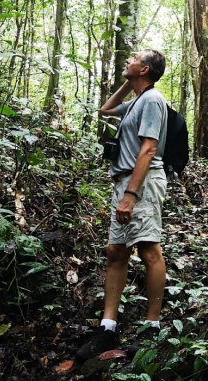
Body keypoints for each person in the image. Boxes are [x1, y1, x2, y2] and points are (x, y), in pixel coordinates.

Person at [77, 49, 169, 360]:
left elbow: (149, 148)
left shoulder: (154, 100)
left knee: (147, 248)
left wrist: (131, 194)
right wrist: (129, 83)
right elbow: (106, 108)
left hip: (141, 182)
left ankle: (151, 327)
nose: (128, 58)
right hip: (124, 182)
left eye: (134, 58)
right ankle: (107, 327)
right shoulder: (137, 101)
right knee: (117, 251)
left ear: (144, 69)